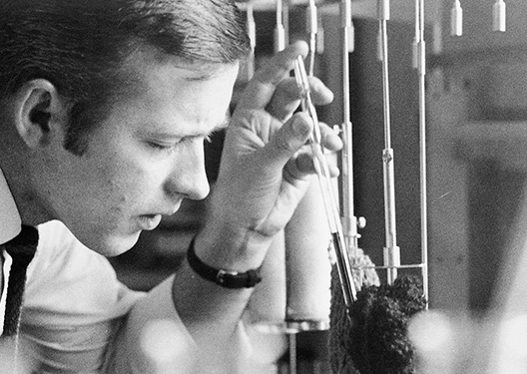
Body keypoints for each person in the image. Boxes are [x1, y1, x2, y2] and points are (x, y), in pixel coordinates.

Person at [0, 0, 342, 373]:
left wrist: (238, 236)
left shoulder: (37, 235)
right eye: (163, 143)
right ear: (41, 115)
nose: (197, 186)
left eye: (206, 138)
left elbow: (110, 359)